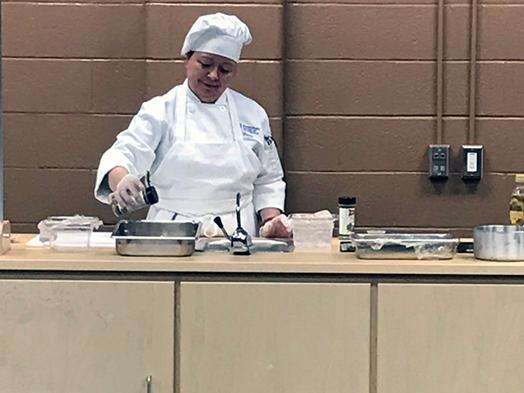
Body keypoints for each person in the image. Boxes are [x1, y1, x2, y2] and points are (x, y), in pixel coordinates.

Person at [94, 12, 290, 238]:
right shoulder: (160, 110)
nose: (214, 75)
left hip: (237, 233)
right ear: (187, 60)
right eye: (205, 64)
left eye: (225, 69)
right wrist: (122, 180)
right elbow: (122, 153)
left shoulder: (253, 114)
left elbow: (269, 178)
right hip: (171, 233)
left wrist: (271, 220)